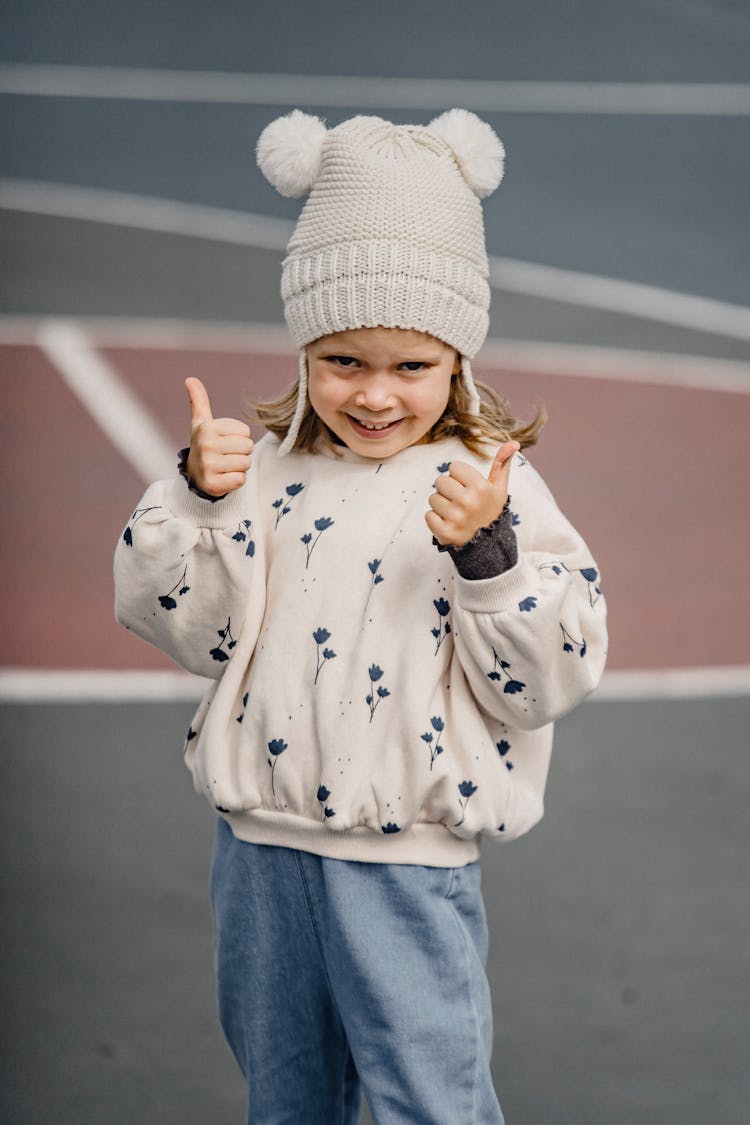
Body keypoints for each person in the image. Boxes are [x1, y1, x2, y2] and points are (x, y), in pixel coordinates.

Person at [114, 108, 607, 1124]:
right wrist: (194, 503)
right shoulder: (259, 472)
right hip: (259, 858)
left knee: (428, 1100)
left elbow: (547, 681)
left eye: (411, 366)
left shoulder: (491, 486)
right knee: (288, 1100)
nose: (376, 395)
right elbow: (190, 631)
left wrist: (488, 556)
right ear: (303, 350)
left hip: (404, 868)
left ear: (459, 362)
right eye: (343, 361)